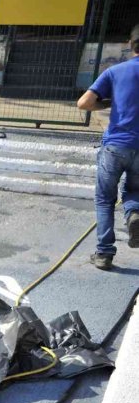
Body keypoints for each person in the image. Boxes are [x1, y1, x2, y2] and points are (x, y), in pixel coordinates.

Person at [77, 24, 139, 270]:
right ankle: (133, 214)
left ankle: (104, 254)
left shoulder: (116, 71)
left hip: (115, 145)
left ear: (129, 44)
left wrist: (107, 104)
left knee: (104, 199)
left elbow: (84, 103)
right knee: (135, 191)